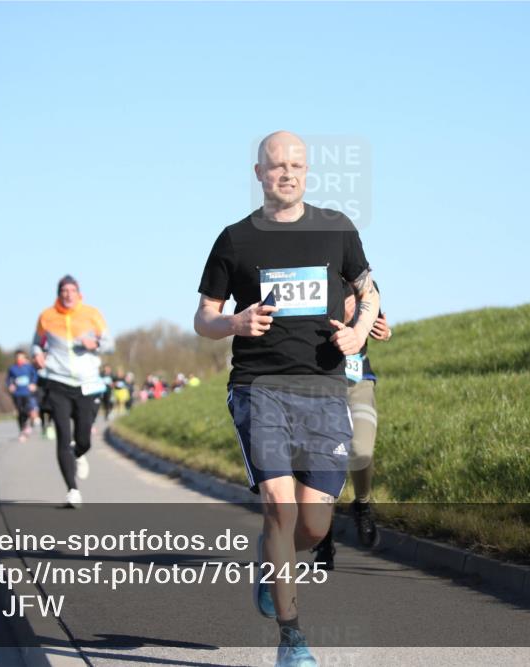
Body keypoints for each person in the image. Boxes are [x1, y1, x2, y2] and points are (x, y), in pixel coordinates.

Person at [194, 131, 380, 667]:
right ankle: (292, 639)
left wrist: (360, 330)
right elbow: (203, 317)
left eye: (297, 165)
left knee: (313, 526)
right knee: (278, 505)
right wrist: (233, 320)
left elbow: (369, 290)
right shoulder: (235, 240)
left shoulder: (337, 229)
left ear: (308, 170)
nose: (287, 173)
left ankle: (270, 562)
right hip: (259, 386)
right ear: (259, 173)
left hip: (323, 388)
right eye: (277, 166)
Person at [312, 282, 393, 569]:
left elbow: (380, 324)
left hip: (358, 383)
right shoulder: (314, 280)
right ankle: (323, 537)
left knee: (361, 451)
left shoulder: (364, 283)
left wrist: (385, 331)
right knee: (324, 463)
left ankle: (362, 504)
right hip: (320, 386)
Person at [32, 275, 112, 507]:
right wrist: (37, 355)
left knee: (83, 439)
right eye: (64, 291)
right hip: (57, 382)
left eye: (72, 290)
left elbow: (109, 343)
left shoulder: (92, 314)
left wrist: (94, 344)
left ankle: (79, 453)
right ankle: (72, 489)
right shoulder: (46, 316)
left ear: (79, 294)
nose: (68, 294)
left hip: (86, 384)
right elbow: (36, 343)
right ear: (59, 294)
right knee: (63, 437)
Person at [7, 350, 39, 442]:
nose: (19, 359)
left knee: (29, 410)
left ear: (24, 358)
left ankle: (29, 425)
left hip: (27, 393)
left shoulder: (29, 367)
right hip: (17, 394)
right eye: (18, 357)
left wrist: (33, 384)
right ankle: (22, 430)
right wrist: (10, 385)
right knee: (20, 412)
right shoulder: (12, 368)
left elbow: (35, 376)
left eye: (21, 357)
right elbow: (8, 379)